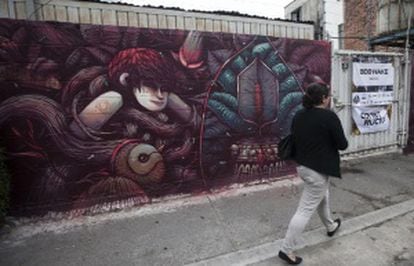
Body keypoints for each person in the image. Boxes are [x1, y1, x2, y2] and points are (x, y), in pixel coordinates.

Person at [278, 83, 348, 265]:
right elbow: (342, 144)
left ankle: (331, 226)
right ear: (324, 98)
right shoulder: (329, 117)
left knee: (322, 196)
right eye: (328, 96)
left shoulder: (299, 115)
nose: (329, 98)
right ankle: (286, 250)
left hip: (303, 167)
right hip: (318, 171)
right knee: (304, 210)